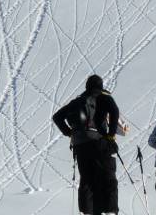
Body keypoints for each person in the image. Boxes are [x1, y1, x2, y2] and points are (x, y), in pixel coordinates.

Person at [52, 74, 120, 215]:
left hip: (80, 146)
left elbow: (57, 117)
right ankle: (109, 211)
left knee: (87, 180)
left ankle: (87, 212)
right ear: (100, 86)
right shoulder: (103, 97)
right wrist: (111, 135)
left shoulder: (78, 101)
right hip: (98, 142)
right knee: (107, 178)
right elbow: (114, 110)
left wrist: (69, 132)